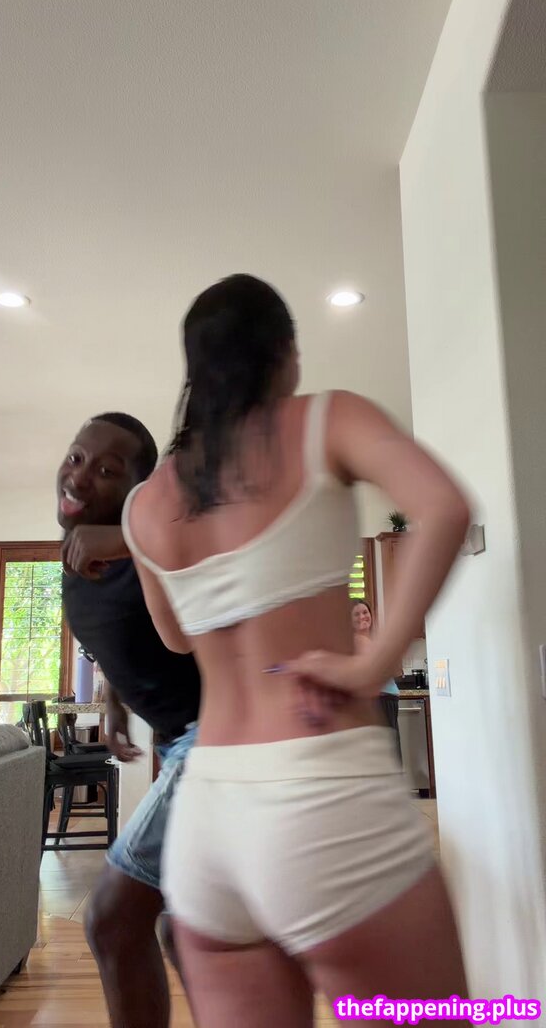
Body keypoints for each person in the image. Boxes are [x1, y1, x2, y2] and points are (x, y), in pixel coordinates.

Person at [123, 274, 470, 1026]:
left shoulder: (145, 504)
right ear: (284, 352)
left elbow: (175, 635)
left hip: (207, 819)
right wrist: (373, 662)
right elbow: (444, 506)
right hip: (319, 797)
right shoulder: (325, 419)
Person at [57, 411, 201, 1028]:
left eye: (107, 470)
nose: (79, 476)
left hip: (220, 740)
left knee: (113, 919)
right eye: (76, 457)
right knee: (184, 929)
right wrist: (114, 697)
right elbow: (120, 632)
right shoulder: (78, 559)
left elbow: (206, 532)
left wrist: (130, 539)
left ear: (139, 491)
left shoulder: (160, 547)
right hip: (180, 743)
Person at [351, 598, 401, 759]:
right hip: (379, 701)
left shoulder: (370, 641)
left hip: (386, 700)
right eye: (356, 614)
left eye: (365, 612)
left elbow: (394, 669)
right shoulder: (358, 641)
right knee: (389, 754)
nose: (362, 617)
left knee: (389, 752)